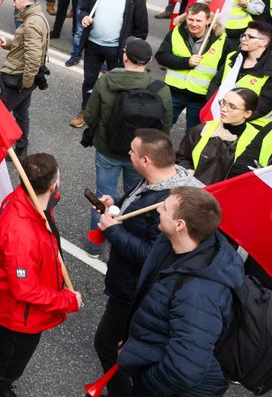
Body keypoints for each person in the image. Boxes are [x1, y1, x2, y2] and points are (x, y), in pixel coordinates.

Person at [93, 130, 202, 397]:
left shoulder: (167, 205)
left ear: (145, 161)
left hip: (133, 289)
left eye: (132, 151)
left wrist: (113, 232)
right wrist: (116, 206)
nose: (128, 153)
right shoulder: (158, 180)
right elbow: (134, 205)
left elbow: (153, 258)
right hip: (129, 283)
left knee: (106, 344)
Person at [117, 186, 244, 396]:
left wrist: (145, 382)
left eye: (164, 208)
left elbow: (184, 369)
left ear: (180, 225)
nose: (158, 210)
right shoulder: (173, 243)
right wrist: (135, 344)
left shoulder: (198, 293)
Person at [0, 153, 82, 397]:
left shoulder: (24, 198)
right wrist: (67, 301)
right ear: (53, 185)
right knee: (7, 365)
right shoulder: (21, 234)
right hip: (17, 318)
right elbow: (24, 289)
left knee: (8, 358)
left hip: (9, 306)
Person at [82, 37, 172, 251]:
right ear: (148, 60)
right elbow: (165, 127)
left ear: (124, 57)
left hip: (108, 149)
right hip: (142, 156)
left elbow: (89, 115)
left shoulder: (106, 81)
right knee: (135, 200)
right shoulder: (161, 89)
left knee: (102, 198)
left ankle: (95, 245)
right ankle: (124, 242)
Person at [76, 0, 148, 126]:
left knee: (116, 83)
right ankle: (86, 112)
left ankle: (111, 115)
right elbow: (84, 9)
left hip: (117, 50)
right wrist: (84, 18)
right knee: (89, 80)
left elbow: (141, 30)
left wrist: (128, 50)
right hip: (93, 45)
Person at [0, 0, 49, 156]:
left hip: (18, 78)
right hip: (25, 76)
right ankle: (21, 147)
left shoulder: (31, 23)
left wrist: (25, 84)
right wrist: (9, 43)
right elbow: (26, 47)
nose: (14, 3)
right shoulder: (38, 16)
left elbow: (33, 56)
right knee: (21, 112)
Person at [177, 87, 272, 185]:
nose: (223, 109)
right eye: (223, 102)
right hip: (191, 191)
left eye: (232, 107)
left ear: (248, 113)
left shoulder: (256, 140)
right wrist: (188, 174)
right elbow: (182, 157)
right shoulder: (202, 129)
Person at [155, 3, 224, 132]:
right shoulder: (176, 32)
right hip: (173, 92)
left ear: (208, 21)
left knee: (193, 135)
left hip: (199, 97)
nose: (193, 24)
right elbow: (161, 56)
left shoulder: (221, 41)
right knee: (160, 128)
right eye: (190, 19)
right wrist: (186, 62)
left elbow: (224, 71)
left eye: (199, 20)